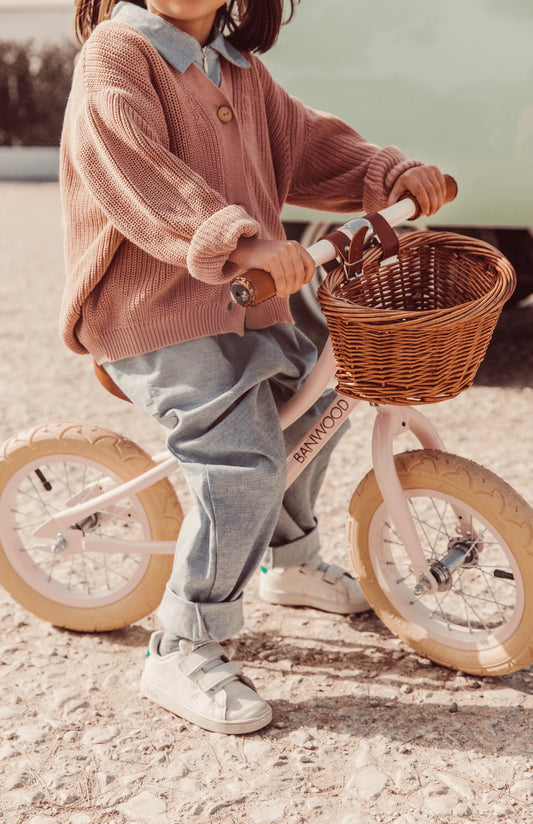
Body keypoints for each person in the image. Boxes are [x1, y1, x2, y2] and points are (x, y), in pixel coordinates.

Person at [60, 0, 449, 735]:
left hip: (246, 300)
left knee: (318, 397)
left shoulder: (238, 68)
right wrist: (239, 240)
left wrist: (390, 173)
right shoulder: (117, 55)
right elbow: (136, 169)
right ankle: (182, 643)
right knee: (240, 459)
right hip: (152, 311)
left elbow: (307, 147)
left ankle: (287, 559)